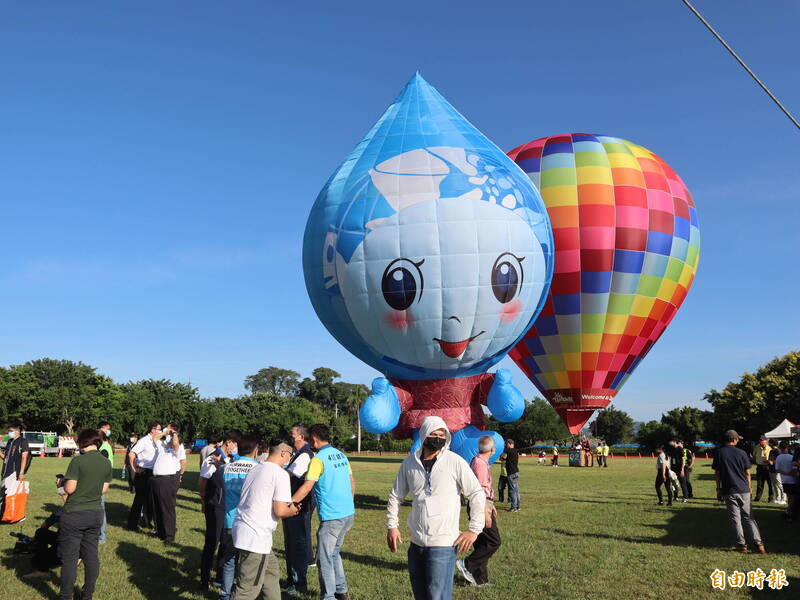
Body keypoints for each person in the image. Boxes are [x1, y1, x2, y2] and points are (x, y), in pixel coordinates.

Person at [386, 416, 484, 600]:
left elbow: (476, 493)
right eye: (433, 433)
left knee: (437, 596)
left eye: (442, 434)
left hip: (443, 544)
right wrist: (392, 525)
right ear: (423, 434)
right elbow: (395, 495)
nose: (438, 438)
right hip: (416, 544)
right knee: (420, 594)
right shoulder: (409, 464)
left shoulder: (454, 461)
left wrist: (474, 530)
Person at [230, 438, 300, 600]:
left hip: (245, 531)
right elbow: (281, 510)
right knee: (247, 590)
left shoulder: (256, 468)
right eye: (291, 454)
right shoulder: (280, 474)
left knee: (271, 574)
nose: (290, 458)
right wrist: (293, 510)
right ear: (284, 453)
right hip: (256, 537)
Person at [292, 424, 355, 600]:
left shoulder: (318, 460)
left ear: (313, 438)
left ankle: (328, 596)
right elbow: (352, 480)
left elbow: (306, 486)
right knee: (334, 553)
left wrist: (291, 503)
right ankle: (341, 591)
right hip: (348, 513)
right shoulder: (340, 454)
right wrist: (349, 502)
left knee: (324, 558)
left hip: (332, 517)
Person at [58, 428, 113, 600]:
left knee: (70, 557)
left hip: (75, 513)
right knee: (91, 554)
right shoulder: (106, 462)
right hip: (96, 513)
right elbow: (104, 489)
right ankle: (88, 592)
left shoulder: (77, 461)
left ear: (82, 442)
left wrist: (61, 482)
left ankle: (66, 595)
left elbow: (69, 488)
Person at [218, 433, 261, 600]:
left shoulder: (227, 467)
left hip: (229, 520)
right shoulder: (257, 468)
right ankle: (243, 593)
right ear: (255, 450)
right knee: (246, 562)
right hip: (249, 522)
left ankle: (225, 594)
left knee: (229, 560)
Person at [198, 430, 240, 591]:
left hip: (228, 507)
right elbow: (203, 482)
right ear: (228, 442)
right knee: (212, 542)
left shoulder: (232, 459)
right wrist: (203, 500)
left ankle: (221, 577)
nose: (236, 447)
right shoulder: (212, 459)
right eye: (235, 443)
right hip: (215, 506)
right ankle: (204, 578)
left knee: (226, 542)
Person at [712, 430, 766, 554]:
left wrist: (718, 489)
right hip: (743, 490)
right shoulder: (742, 453)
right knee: (749, 518)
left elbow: (717, 474)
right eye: (737, 439)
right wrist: (750, 487)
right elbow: (747, 473)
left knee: (736, 519)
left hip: (729, 490)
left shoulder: (719, 453)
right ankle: (759, 545)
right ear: (734, 439)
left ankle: (742, 546)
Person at [459, 435, 501, 587]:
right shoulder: (481, 465)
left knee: (482, 543)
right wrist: (485, 512)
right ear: (492, 449)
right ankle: (467, 564)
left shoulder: (479, 461)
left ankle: (479, 579)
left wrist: (492, 505)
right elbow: (480, 492)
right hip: (480, 506)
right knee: (494, 541)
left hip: (483, 504)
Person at [283, 423, 316, 596]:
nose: (290, 435)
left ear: (301, 437)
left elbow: (288, 475)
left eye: (292, 433)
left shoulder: (304, 455)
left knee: (297, 543)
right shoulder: (298, 454)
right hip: (292, 503)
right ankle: (292, 580)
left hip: (299, 505)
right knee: (291, 542)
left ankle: (298, 583)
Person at [150, 423, 186, 544]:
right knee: (157, 508)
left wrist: (173, 433)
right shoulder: (163, 445)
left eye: (169, 428)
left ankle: (169, 536)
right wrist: (166, 433)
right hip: (157, 479)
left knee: (167, 508)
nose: (167, 430)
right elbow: (155, 438)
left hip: (167, 479)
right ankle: (160, 532)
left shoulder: (178, 447)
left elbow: (175, 444)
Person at [126, 422, 162, 531]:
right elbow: (131, 454)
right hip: (144, 473)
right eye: (159, 429)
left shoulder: (158, 442)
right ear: (152, 429)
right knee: (139, 500)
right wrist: (135, 468)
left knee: (151, 500)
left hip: (154, 473)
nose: (161, 431)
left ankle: (146, 521)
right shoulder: (144, 441)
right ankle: (131, 525)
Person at [96, 422, 114, 543]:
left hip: (100, 481)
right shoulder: (106, 446)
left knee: (100, 509)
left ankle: (101, 537)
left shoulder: (104, 449)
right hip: (102, 480)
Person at [774, 441, 796, 520]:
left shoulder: (778, 457)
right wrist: (788, 473)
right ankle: (790, 511)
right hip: (792, 480)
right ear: (787, 447)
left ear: (780, 448)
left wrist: (785, 473)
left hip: (784, 480)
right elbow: (794, 470)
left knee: (789, 497)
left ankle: (789, 511)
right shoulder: (791, 457)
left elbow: (777, 470)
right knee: (793, 497)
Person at [753, 435, 774, 503]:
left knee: (770, 483)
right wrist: (756, 462)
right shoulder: (757, 447)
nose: (760, 441)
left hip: (767, 467)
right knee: (759, 483)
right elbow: (754, 455)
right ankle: (757, 497)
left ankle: (770, 498)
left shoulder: (770, 448)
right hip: (759, 467)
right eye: (760, 440)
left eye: (762, 440)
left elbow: (772, 458)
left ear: (766, 441)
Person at [768, 440, 786, 505]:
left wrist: (773, 462)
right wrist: (769, 461)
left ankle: (783, 499)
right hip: (771, 470)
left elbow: (779, 460)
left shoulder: (777, 451)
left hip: (777, 470)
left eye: (769, 442)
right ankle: (777, 498)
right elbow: (770, 458)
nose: (768, 443)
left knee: (779, 485)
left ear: (772, 443)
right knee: (774, 485)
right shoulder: (771, 451)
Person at [504, 439, 520, 512]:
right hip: (516, 472)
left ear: (509, 444)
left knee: (512, 491)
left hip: (511, 473)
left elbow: (502, 457)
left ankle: (514, 507)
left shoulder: (508, 451)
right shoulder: (515, 451)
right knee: (516, 490)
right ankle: (518, 506)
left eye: (506, 444)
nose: (505, 445)